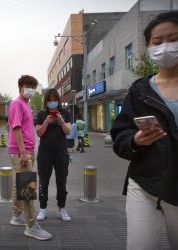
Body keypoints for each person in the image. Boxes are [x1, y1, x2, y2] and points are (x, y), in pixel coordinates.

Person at [110, 11, 178, 250]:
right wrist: (136, 140)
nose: (165, 47)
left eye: (173, 39)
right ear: (148, 46)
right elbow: (120, 137)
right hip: (145, 182)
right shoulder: (140, 90)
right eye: (157, 42)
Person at [8, 75, 52, 240]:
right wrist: (24, 152)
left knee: (18, 185)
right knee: (27, 188)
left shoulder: (25, 104)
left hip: (23, 151)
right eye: (27, 86)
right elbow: (16, 129)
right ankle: (32, 226)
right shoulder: (17, 104)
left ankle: (17, 215)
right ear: (20, 87)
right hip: (22, 152)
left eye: (33, 87)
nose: (30, 90)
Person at [35, 89, 72, 222]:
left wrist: (61, 121)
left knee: (62, 181)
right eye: (49, 100)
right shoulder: (41, 114)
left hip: (61, 152)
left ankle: (62, 208)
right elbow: (39, 133)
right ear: (46, 101)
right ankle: (42, 209)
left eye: (54, 99)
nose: (52, 102)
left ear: (58, 100)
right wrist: (46, 121)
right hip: (45, 153)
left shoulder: (65, 113)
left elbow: (68, 132)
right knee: (43, 181)